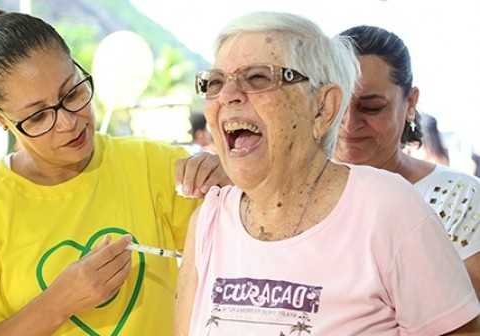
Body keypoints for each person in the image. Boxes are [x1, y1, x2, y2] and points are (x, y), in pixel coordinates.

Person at [0, 6, 228, 336]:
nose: (69, 122)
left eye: (72, 92)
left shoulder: (152, 165)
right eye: (38, 117)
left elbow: (244, 254)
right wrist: (58, 303)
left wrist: (231, 179)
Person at [174, 11, 480, 335]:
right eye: (216, 81)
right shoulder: (209, 220)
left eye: (259, 78)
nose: (227, 95)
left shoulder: (390, 206)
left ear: (322, 107)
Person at [334, 25, 480, 299]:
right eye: (336, 105)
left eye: (371, 107)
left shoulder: (459, 199)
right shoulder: (289, 193)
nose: (349, 123)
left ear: (410, 103)